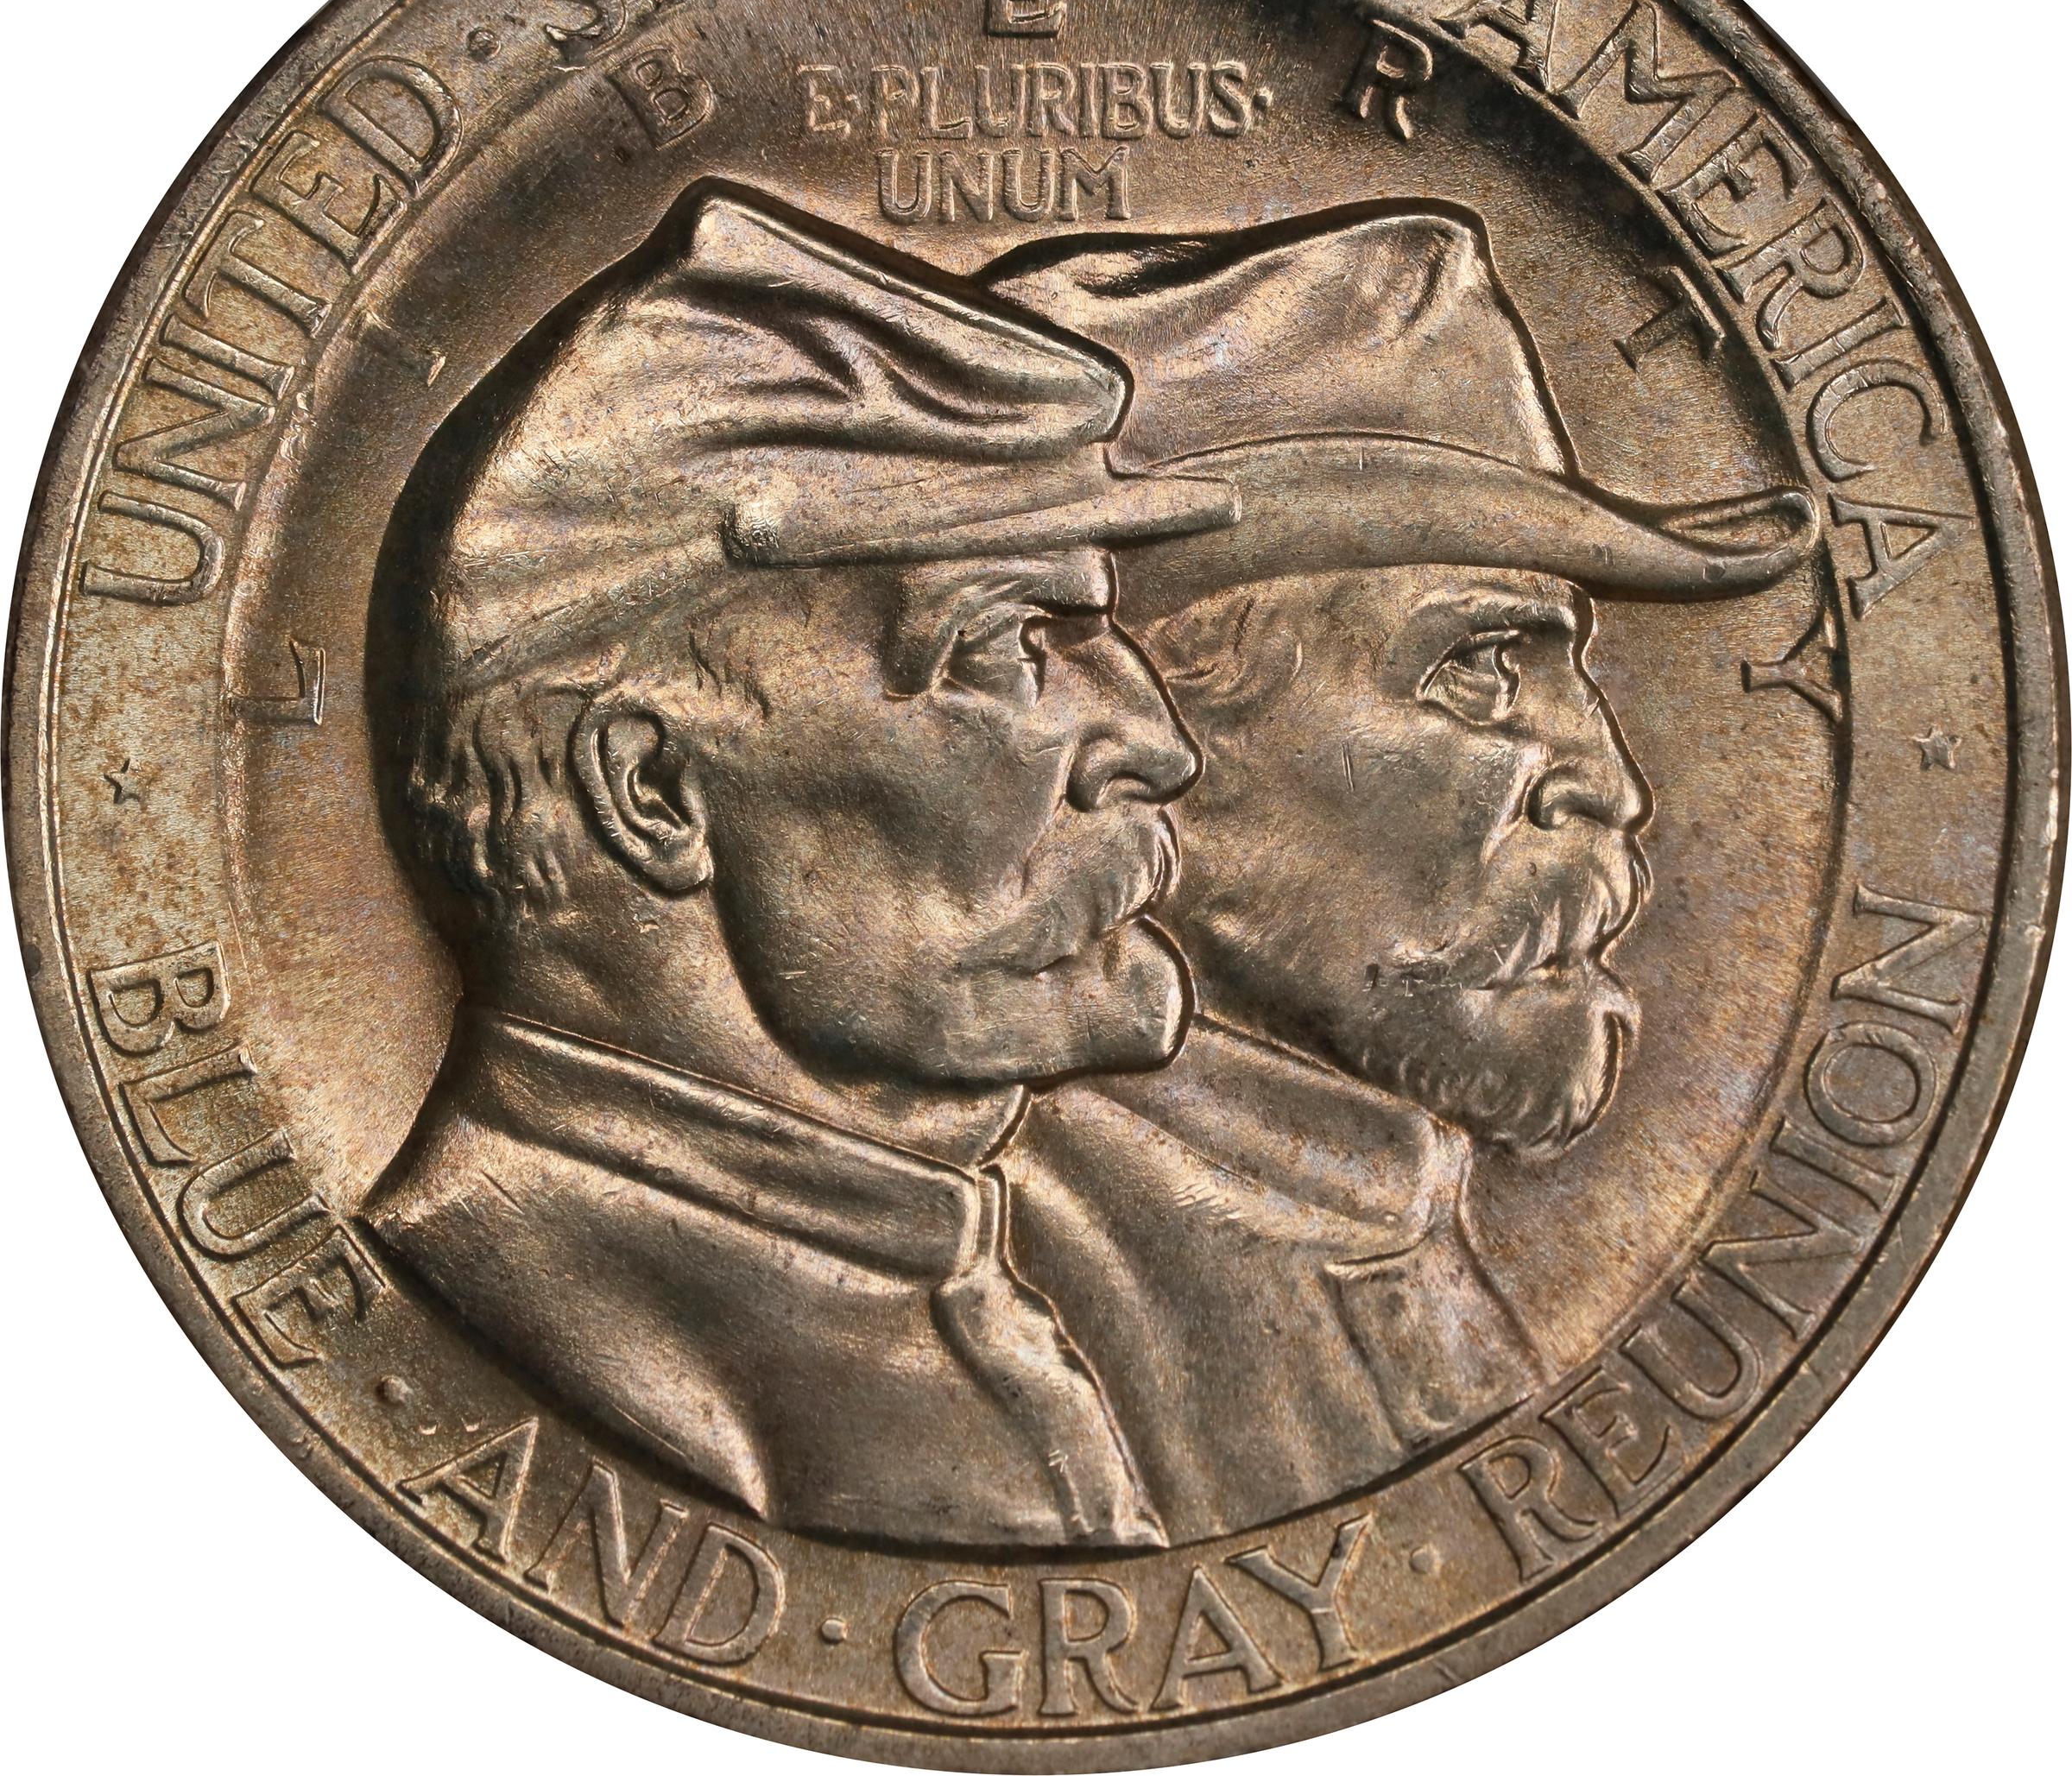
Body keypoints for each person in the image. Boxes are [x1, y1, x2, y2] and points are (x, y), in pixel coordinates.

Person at [361, 183, 1238, 1549]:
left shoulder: (935, 1293)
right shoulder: (566, 1336)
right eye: (1005, 644)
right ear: (650, 790)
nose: (1155, 744)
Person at [980, 201, 1818, 1541]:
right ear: (1147, 737)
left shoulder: (1377, 1210)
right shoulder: (994, 1298)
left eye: (1568, 669)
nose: (1608, 779)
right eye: (1480, 667)